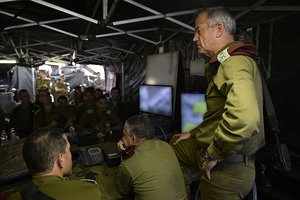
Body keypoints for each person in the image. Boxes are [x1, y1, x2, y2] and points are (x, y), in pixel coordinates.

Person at [170, 7, 265, 200]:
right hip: (214, 154)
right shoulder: (224, 62)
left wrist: (213, 154)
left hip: (225, 167)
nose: (194, 38)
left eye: (199, 31)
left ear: (219, 29)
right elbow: (219, 114)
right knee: (175, 145)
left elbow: (244, 119)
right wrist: (194, 133)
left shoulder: (234, 62)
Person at [7, 128, 103, 200]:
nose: (70, 156)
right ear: (61, 160)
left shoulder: (15, 197)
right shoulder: (89, 192)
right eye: (68, 150)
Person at [115, 115, 187, 200]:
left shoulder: (128, 164)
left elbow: (123, 190)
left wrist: (123, 154)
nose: (122, 138)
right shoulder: (166, 146)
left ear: (133, 138)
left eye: (124, 135)